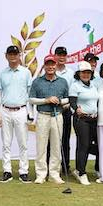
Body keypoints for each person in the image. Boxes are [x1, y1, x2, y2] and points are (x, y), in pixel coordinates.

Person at [29, 55, 69, 183]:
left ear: (56, 65)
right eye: (48, 64)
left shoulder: (63, 82)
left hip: (57, 116)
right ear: (44, 66)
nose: (50, 67)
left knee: (56, 146)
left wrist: (59, 101)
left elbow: (68, 99)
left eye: (53, 64)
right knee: (41, 146)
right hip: (43, 116)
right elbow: (31, 99)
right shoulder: (37, 81)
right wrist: (46, 100)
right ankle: (40, 174)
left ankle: (54, 174)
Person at [0, 44, 32, 183]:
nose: (13, 57)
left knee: (23, 143)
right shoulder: (2, 74)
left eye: (15, 54)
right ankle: (7, 171)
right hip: (5, 111)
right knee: (6, 143)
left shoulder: (26, 72)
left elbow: (30, 94)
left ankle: (23, 171)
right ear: (6, 56)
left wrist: (30, 113)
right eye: (10, 54)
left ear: (19, 56)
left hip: (21, 110)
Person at [68, 61, 99, 185]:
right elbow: (72, 102)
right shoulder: (75, 86)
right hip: (81, 119)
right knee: (84, 145)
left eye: (88, 72)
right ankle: (81, 172)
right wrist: (77, 109)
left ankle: (93, 169)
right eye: (83, 72)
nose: (86, 74)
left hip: (94, 119)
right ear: (79, 73)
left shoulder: (93, 85)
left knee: (96, 145)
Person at [53, 46, 75, 177]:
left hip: (65, 110)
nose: (61, 57)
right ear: (55, 56)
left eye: (64, 55)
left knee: (65, 140)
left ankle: (65, 166)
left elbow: (72, 93)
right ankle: (51, 167)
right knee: (52, 141)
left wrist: (66, 104)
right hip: (51, 110)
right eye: (59, 55)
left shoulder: (71, 73)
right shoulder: (50, 69)